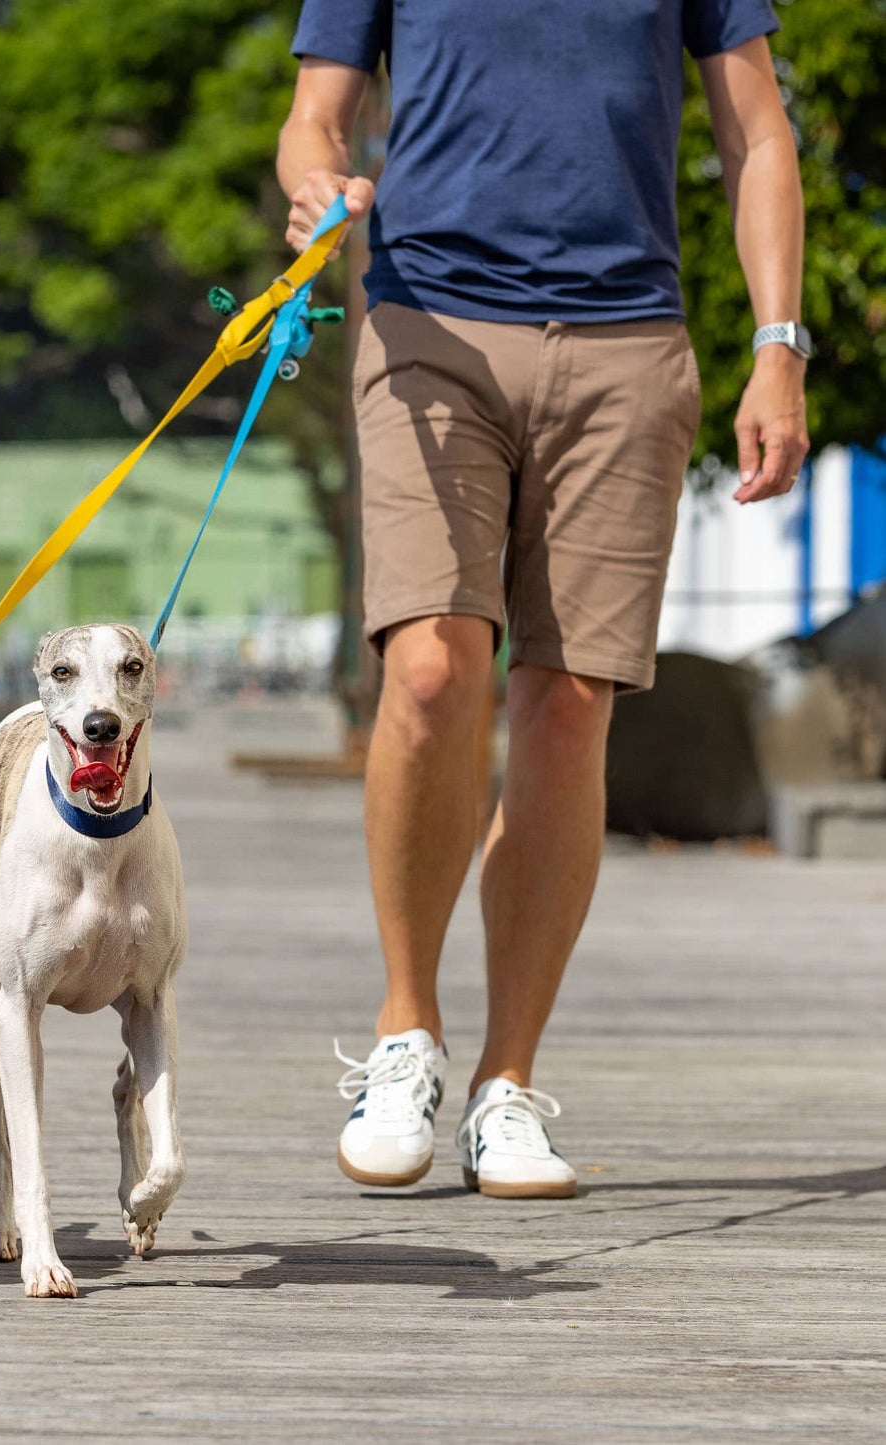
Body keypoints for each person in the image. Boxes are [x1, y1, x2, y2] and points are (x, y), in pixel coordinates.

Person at [278, 0, 810, 1198]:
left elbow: (757, 132)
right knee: (426, 667)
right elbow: (316, 115)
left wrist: (777, 344)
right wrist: (318, 189)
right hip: (427, 322)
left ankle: (504, 1084)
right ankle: (404, 1031)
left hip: (627, 342)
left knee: (569, 701)